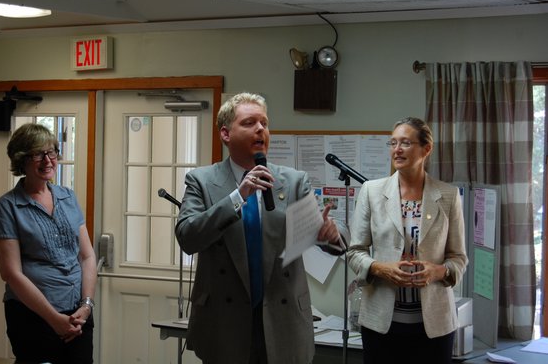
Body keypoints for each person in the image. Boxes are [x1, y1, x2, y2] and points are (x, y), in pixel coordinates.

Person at [175, 92, 345, 364]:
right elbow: (187, 236)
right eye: (249, 122)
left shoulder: (292, 181)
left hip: (283, 321)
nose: (260, 129)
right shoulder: (202, 181)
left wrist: (332, 235)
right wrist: (237, 196)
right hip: (223, 322)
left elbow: (329, 231)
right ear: (225, 134)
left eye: (264, 123)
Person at [347, 117, 468, 364]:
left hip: (433, 326)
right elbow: (355, 251)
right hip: (381, 325)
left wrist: (439, 271)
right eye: (393, 143)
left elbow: (459, 257)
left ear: (426, 149)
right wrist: (379, 267)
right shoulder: (371, 191)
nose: (397, 149)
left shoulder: (448, 195)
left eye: (405, 143)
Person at [0, 123, 97, 364]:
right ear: (21, 160)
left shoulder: (68, 197)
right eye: (38, 154)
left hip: (79, 315)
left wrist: (87, 305)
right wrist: (54, 319)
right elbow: (11, 274)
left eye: (52, 152)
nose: (48, 160)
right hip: (33, 318)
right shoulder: (7, 207)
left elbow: (88, 256)